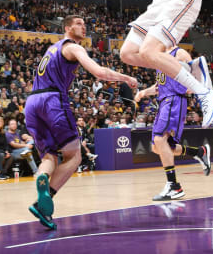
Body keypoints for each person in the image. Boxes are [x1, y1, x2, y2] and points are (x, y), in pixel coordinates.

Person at [25, 15, 138, 230]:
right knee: (74, 155)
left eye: (85, 24)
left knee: (49, 155)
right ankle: (45, 198)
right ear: (67, 28)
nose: (83, 27)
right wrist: (125, 78)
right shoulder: (72, 47)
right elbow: (98, 72)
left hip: (32, 103)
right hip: (52, 101)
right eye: (78, 24)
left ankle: (42, 178)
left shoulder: (52, 49)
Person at [134, 47, 211, 201]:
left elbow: (195, 78)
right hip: (164, 100)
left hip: (173, 100)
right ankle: (199, 152)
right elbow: (159, 86)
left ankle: (174, 186)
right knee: (158, 147)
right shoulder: (159, 57)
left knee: (159, 139)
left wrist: (193, 89)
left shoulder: (179, 53)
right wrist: (143, 93)